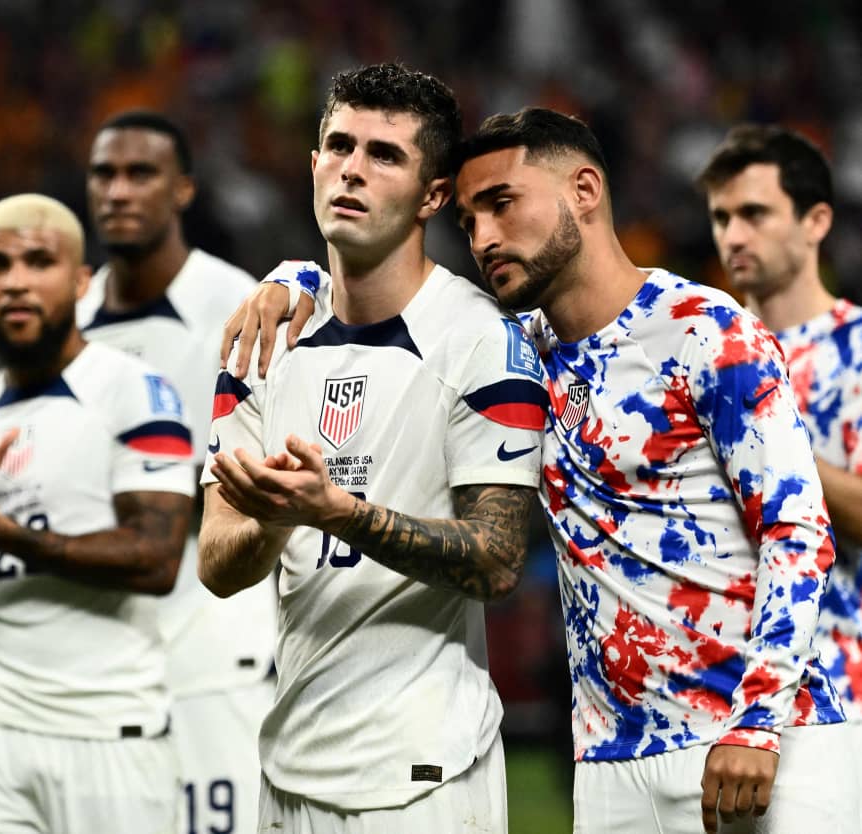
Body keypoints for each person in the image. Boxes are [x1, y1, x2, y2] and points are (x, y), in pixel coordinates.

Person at [243, 107, 861, 833]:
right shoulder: (517, 352)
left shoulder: (705, 329)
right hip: (609, 763)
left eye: (501, 204)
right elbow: (385, 286)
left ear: (585, 191)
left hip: (763, 740)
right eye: (469, 218)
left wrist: (757, 723)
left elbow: (797, 529)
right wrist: (300, 274)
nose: (482, 237)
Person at [198, 63, 548, 833]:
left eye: (385, 154)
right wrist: (275, 519)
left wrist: (339, 511)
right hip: (287, 768)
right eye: (338, 146)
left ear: (432, 196)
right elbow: (217, 564)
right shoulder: (258, 341)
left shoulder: (482, 341)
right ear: (313, 163)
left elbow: (497, 560)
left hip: (425, 774)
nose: (352, 169)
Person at [0, 193, 196, 834]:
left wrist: (6, 536)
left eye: (39, 261)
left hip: (110, 729)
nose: (17, 281)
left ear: (81, 280)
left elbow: (158, 558)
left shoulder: (137, 391)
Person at [79, 109, 275, 834]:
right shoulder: (71, 320)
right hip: (102, 621)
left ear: (183, 189)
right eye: (105, 174)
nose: (119, 191)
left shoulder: (241, 304)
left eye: (141, 173)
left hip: (215, 619)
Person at [696, 124, 862, 722]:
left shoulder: (857, 349)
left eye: (754, 213)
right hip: (717, 686)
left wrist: (768, 453)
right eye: (721, 218)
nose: (732, 235)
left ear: (816, 221)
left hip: (842, 683)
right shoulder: (699, 352)